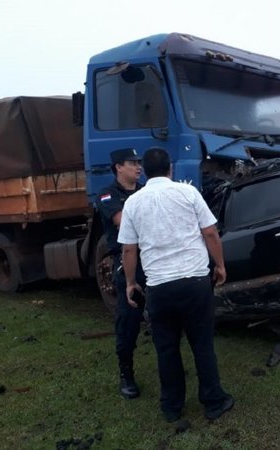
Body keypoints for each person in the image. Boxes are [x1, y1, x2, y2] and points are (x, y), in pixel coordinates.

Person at [118, 147, 233, 423]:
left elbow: (129, 251)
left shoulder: (133, 203)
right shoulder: (188, 193)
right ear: (170, 168)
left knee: (166, 349)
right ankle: (214, 401)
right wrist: (219, 265)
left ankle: (172, 407)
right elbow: (210, 232)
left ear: (144, 171)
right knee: (202, 344)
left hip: (159, 288)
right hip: (194, 282)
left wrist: (131, 283)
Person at [96, 148, 146, 400]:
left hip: (153, 260)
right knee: (128, 322)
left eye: (139, 163)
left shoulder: (145, 190)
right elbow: (121, 220)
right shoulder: (107, 194)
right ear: (118, 167)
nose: (138, 167)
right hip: (127, 263)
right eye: (132, 163)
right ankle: (126, 372)